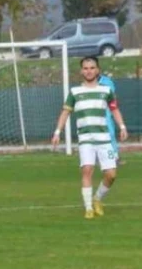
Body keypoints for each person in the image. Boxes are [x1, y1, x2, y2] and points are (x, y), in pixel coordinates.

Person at [50, 56, 128, 219]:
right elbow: (65, 112)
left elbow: (114, 110)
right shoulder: (75, 92)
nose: (89, 71)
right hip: (85, 139)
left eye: (92, 68)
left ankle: (97, 199)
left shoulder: (106, 91)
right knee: (87, 170)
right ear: (81, 71)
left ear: (98, 70)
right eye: (86, 68)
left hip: (105, 139)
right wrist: (58, 132)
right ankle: (88, 208)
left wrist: (122, 127)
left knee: (111, 175)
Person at [98, 71, 121, 162]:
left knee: (110, 132)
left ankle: (115, 156)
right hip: (93, 110)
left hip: (106, 109)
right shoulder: (88, 82)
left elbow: (111, 96)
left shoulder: (107, 81)